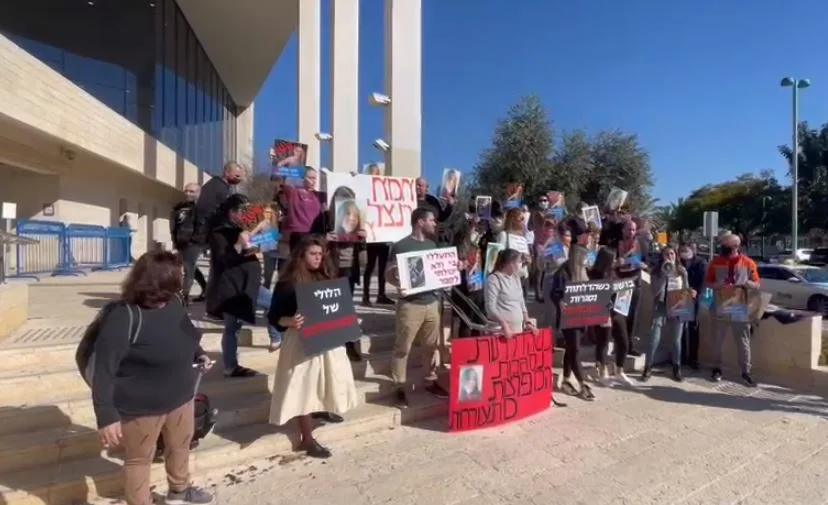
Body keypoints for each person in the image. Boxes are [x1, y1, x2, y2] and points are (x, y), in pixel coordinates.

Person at [91, 250, 213, 505]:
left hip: (181, 396)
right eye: (177, 276)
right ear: (160, 281)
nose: (182, 279)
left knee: (180, 447)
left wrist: (200, 355)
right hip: (140, 408)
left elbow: (188, 336)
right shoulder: (123, 317)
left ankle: (179, 491)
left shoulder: (174, 303)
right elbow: (103, 370)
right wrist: (106, 416)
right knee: (139, 460)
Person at [267, 236, 359, 459]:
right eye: (313, 254)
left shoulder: (327, 277)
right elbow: (274, 316)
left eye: (320, 254)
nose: (318, 258)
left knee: (328, 380)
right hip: (301, 343)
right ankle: (307, 438)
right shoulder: (288, 283)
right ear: (301, 255)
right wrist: (290, 321)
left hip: (327, 341)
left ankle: (323, 408)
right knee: (303, 388)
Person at [386, 208, 450, 408]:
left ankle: (430, 380)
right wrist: (395, 275)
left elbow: (437, 272)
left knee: (431, 347)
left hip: (432, 304)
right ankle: (399, 386)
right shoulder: (400, 246)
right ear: (420, 222)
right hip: (410, 305)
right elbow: (388, 275)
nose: (435, 223)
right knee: (402, 348)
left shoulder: (432, 245)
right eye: (432, 220)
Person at [205, 194, 269, 377]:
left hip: (249, 284)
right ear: (231, 213)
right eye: (242, 211)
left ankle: (276, 337)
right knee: (232, 327)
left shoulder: (238, 227)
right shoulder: (219, 232)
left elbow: (252, 244)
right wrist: (239, 244)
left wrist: (260, 232)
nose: (245, 215)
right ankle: (230, 366)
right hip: (232, 287)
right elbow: (224, 258)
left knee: (276, 304)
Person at [705, 233, 760, 386]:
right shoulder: (715, 262)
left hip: (740, 306)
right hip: (720, 305)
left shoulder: (748, 263)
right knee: (717, 340)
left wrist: (746, 283)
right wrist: (719, 284)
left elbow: (757, 284)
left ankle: (746, 371)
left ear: (736, 246)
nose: (722, 247)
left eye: (725, 244)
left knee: (743, 341)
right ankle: (716, 368)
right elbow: (708, 283)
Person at [549, 245, 595, 401]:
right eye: (584, 257)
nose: (586, 260)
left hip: (581, 316)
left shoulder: (583, 272)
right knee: (575, 350)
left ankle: (566, 380)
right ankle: (583, 384)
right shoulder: (562, 273)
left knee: (571, 348)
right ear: (578, 257)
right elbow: (554, 293)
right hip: (568, 318)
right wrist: (560, 301)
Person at [641, 246, 692, 383]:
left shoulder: (681, 271)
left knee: (676, 339)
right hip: (662, 304)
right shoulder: (657, 272)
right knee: (654, 336)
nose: (670, 256)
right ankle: (648, 366)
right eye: (666, 254)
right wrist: (664, 273)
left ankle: (677, 367)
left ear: (676, 256)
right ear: (662, 257)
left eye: (672, 254)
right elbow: (654, 291)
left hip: (678, 304)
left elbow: (686, 290)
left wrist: (685, 276)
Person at [588, 247, 632, 386]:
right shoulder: (595, 275)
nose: (615, 262)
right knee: (603, 342)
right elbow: (595, 295)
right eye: (612, 260)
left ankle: (619, 370)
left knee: (623, 341)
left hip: (617, 310)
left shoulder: (615, 272)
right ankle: (602, 372)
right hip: (602, 311)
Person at [170, 182, 207, 305]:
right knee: (191, 268)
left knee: (188, 269)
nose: (188, 193)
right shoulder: (179, 208)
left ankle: (184, 298)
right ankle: (205, 289)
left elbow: (203, 227)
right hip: (181, 242)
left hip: (194, 243)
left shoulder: (203, 208)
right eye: (186, 191)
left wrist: (195, 241)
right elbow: (174, 227)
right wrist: (175, 242)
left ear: (199, 193)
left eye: (192, 191)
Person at [485, 249, 536, 337]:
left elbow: (521, 302)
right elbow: (491, 309)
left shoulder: (516, 278)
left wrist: (527, 321)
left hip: (518, 330)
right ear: (510, 263)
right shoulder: (494, 279)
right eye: (519, 262)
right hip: (501, 332)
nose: (521, 265)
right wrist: (504, 325)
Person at [279, 167, 326, 251]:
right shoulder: (293, 192)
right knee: (298, 261)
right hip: (299, 233)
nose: (313, 181)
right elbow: (283, 178)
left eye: (314, 178)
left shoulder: (318, 195)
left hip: (315, 233)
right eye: (310, 178)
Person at [679, 242, 707, 369]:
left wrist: (697, 291)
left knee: (693, 328)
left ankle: (693, 358)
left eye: (687, 250)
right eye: (682, 250)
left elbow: (704, 281)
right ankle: (681, 356)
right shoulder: (679, 263)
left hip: (694, 299)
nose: (684, 252)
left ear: (693, 251)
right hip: (680, 297)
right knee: (680, 328)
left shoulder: (701, 263)